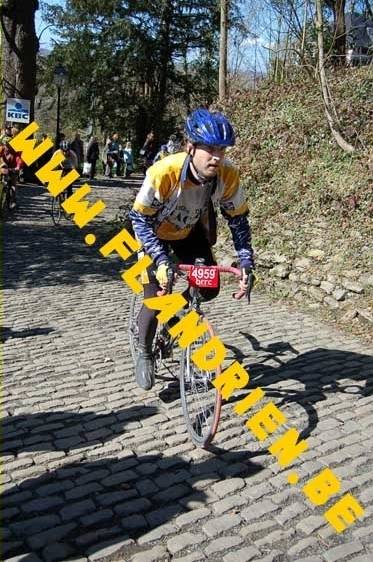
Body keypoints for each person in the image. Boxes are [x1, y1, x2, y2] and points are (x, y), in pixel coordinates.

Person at [129, 108, 255, 390]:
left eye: (222, 150)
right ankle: (144, 351)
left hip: (188, 233)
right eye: (209, 149)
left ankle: (173, 320)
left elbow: (238, 220)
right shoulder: (164, 172)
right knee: (155, 298)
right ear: (190, 147)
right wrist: (160, 260)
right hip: (153, 234)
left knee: (208, 287)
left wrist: (246, 261)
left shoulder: (227, 174)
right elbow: (139, 218)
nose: (217, 157)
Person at [0, 142, 24, 209]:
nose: (7, 147)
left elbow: (19, 160)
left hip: (13, 170)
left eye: (8, 145)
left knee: (13, 185)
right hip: (4, 170)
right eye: (6, 145)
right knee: (3, 182)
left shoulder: (15, 151)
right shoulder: (2, 150)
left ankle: (14, 201)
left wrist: (18, 167)